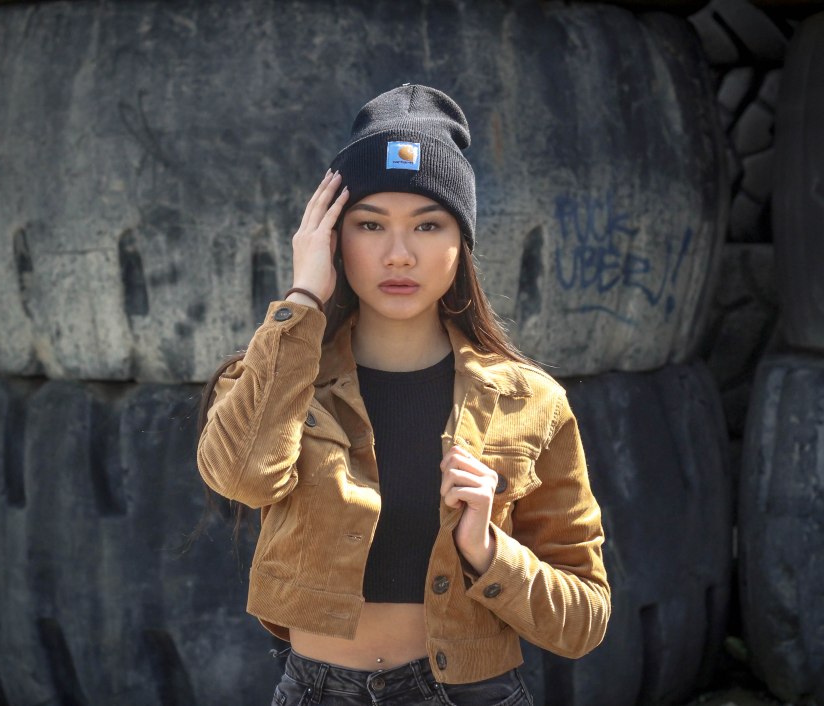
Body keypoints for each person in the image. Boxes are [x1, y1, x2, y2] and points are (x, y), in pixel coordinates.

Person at [196, 84, 610, 706]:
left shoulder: (530, 402)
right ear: (333, 238)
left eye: (427, 224)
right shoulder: (278, 375)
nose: (398, 255)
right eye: (369, 225)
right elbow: (244, 478)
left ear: (461, 242)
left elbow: (584, 621)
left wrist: (488, 550)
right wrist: (303, 297)